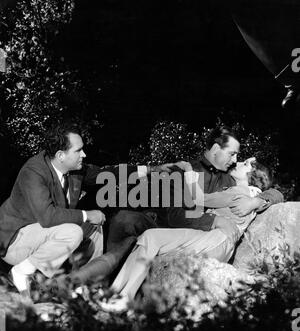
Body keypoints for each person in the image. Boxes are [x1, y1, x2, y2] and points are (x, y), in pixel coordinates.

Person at [0, 121, 175, 298]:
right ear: (61, 155)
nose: (84, 154)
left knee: (94, 228)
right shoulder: (34, 171)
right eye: (78, 150)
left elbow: (107, 175)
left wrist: (151, 169)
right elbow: (47, 217)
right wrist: (86, 215)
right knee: (74, 231)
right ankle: (21, 273)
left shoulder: (75, 169)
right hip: (16, 242)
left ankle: (82, 285)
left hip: (46, 236)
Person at [102, 157, 283, 312]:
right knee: (151, 238)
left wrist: (188, 171)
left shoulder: (239, 193)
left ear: (252, 176)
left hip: (215, 240)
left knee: (151, 237)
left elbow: (198, 198)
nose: (237, 162)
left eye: (244, 164)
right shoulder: (246, 195)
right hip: (216, 243)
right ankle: (120, 295)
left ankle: (121, 296)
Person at [106, 126, 283, 266]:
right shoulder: (183, 171)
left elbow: (275, 192)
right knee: (124, 219)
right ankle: (104, 279)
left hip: (199, 237)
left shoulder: (231, 180)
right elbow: (175, 216)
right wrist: (213, 220)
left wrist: (256, 200)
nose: (235, 160)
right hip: (165, 223)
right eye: (232, 154)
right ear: (215, 149)